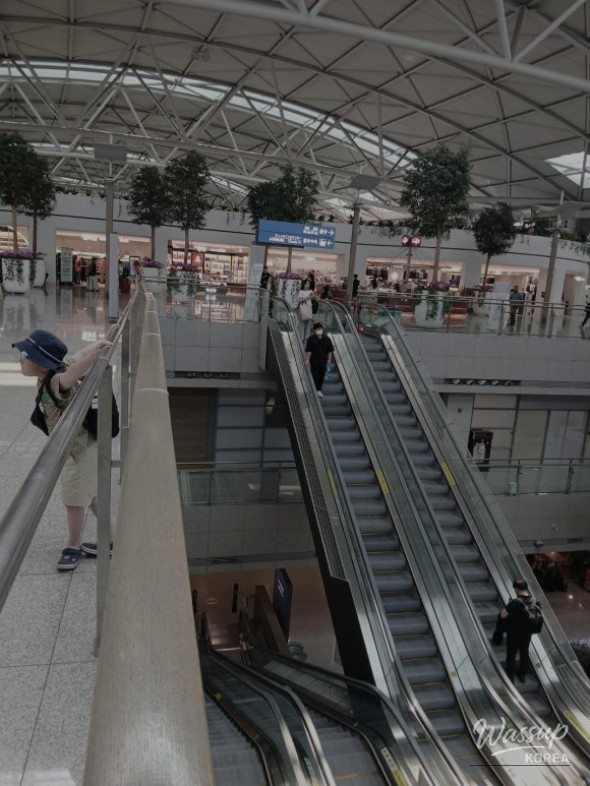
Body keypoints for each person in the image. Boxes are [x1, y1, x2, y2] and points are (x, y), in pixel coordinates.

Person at [13, 329, 114, 571]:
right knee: (91, 497)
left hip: (77, 453)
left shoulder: (56, 381)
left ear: (42, 364)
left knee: (73, 500)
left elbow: (71, 374)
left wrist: (95, 356)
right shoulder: (56, 369)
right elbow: (78, 355)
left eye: (25, 356)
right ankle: (112, 539)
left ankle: (73, 545)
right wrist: (97, 345)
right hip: (85, 446)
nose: (20, 359)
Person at [499, 578, 535, 683]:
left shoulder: (514, 603)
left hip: (514, 633)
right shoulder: (533, 601)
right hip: (527, 633)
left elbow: (503, 615)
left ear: (517, 589)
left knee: (511, 654)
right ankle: (522, 674)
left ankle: (511, 676)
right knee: (524, 653)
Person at [305, 323, 334, 397]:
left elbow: (330, 350)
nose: (319, 330)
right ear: (314, 330)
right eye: (317, 329)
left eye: (320, 329)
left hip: (323, 361)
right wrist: (307, 359)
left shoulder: (327, 339)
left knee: (321, 376)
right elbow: (309, 350)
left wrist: (329, 359)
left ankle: (318, 390)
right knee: (314, 376)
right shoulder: (311, 339)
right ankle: (313, 390)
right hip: (314, 361)